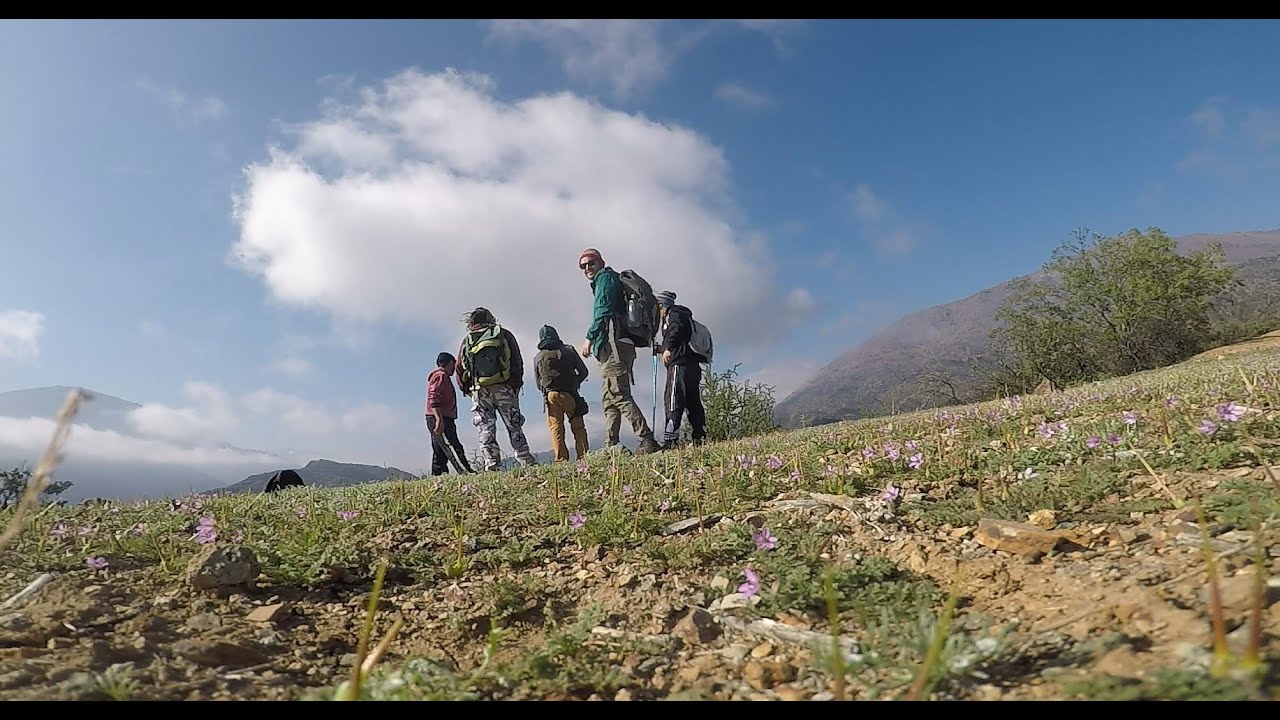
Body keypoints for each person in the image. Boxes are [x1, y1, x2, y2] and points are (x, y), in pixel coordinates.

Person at [577, 248, 661, 454]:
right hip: (621, 345)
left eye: (591, 263)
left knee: (618, 394)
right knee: (609, 399)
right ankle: (611, 445)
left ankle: (646, 439)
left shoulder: (605, 279)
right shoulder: (609, 280)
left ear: (600, 262)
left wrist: (590, 337)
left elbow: (603, 309)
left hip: (613, 344)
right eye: (583, 265)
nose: (587, 268)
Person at [456, 307, 539, 472]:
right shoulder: (503, 334)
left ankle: (492, 464)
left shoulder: (468, 340)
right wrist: (514, 385)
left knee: (485, 427)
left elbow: (459, 367)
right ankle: (525, 460)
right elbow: (517, 360)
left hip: (479, 390)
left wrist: (467, 389)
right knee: (514, 425)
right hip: (504, 387)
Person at [656, 290, 708, 448]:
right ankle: (700, 436)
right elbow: (681, 337)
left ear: (662, 306)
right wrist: (661, 348)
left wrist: (668, 348)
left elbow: (676, 330)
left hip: (679, 365)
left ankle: (671, 440)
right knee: (693, 402)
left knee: (674, 399)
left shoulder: (674, 315)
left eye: (658, 307)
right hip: (692, 366)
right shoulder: (685, 316)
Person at [535, 324, 591, 462]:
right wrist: (575, 383)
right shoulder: (568, 350)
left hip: (550, 396)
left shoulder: (538, 357)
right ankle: (583, 459)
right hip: (569, 394)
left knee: (556, 428)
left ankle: (560, 460)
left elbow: (538, 384)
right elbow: (584, 372)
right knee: (578, 427)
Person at [426, 352, 475, 476]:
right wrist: (439, 419)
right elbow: (434, 397)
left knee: (439, 447)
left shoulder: (439, 376)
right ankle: (465, 471)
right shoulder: (441, 376)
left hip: (438, 416)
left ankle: (438, 474)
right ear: (450, 363)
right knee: (452, 445)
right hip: (441, 417)